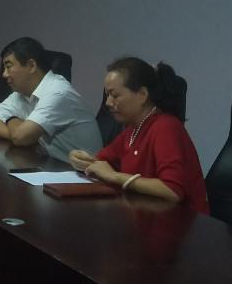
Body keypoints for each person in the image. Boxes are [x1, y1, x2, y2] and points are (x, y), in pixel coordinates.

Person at [69, 58, 209, 214]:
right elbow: (103, 161)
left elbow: (172, 190)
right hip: (145, 215)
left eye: (114, 95)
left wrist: (114, 176)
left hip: (181, 222)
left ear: (142, 95)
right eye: (107, 95)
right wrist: (83, 160)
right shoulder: (134, 128)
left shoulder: (166, 127)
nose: (108, 102)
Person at [0, 37, 102, 161]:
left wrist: (11, 119)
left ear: (31, 66)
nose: (4, 74)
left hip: (82, 170)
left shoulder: (58, 92)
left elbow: (20, 137)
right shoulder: (20, 93)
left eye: (8, 66)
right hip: (50, 165)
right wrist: (21, 135)